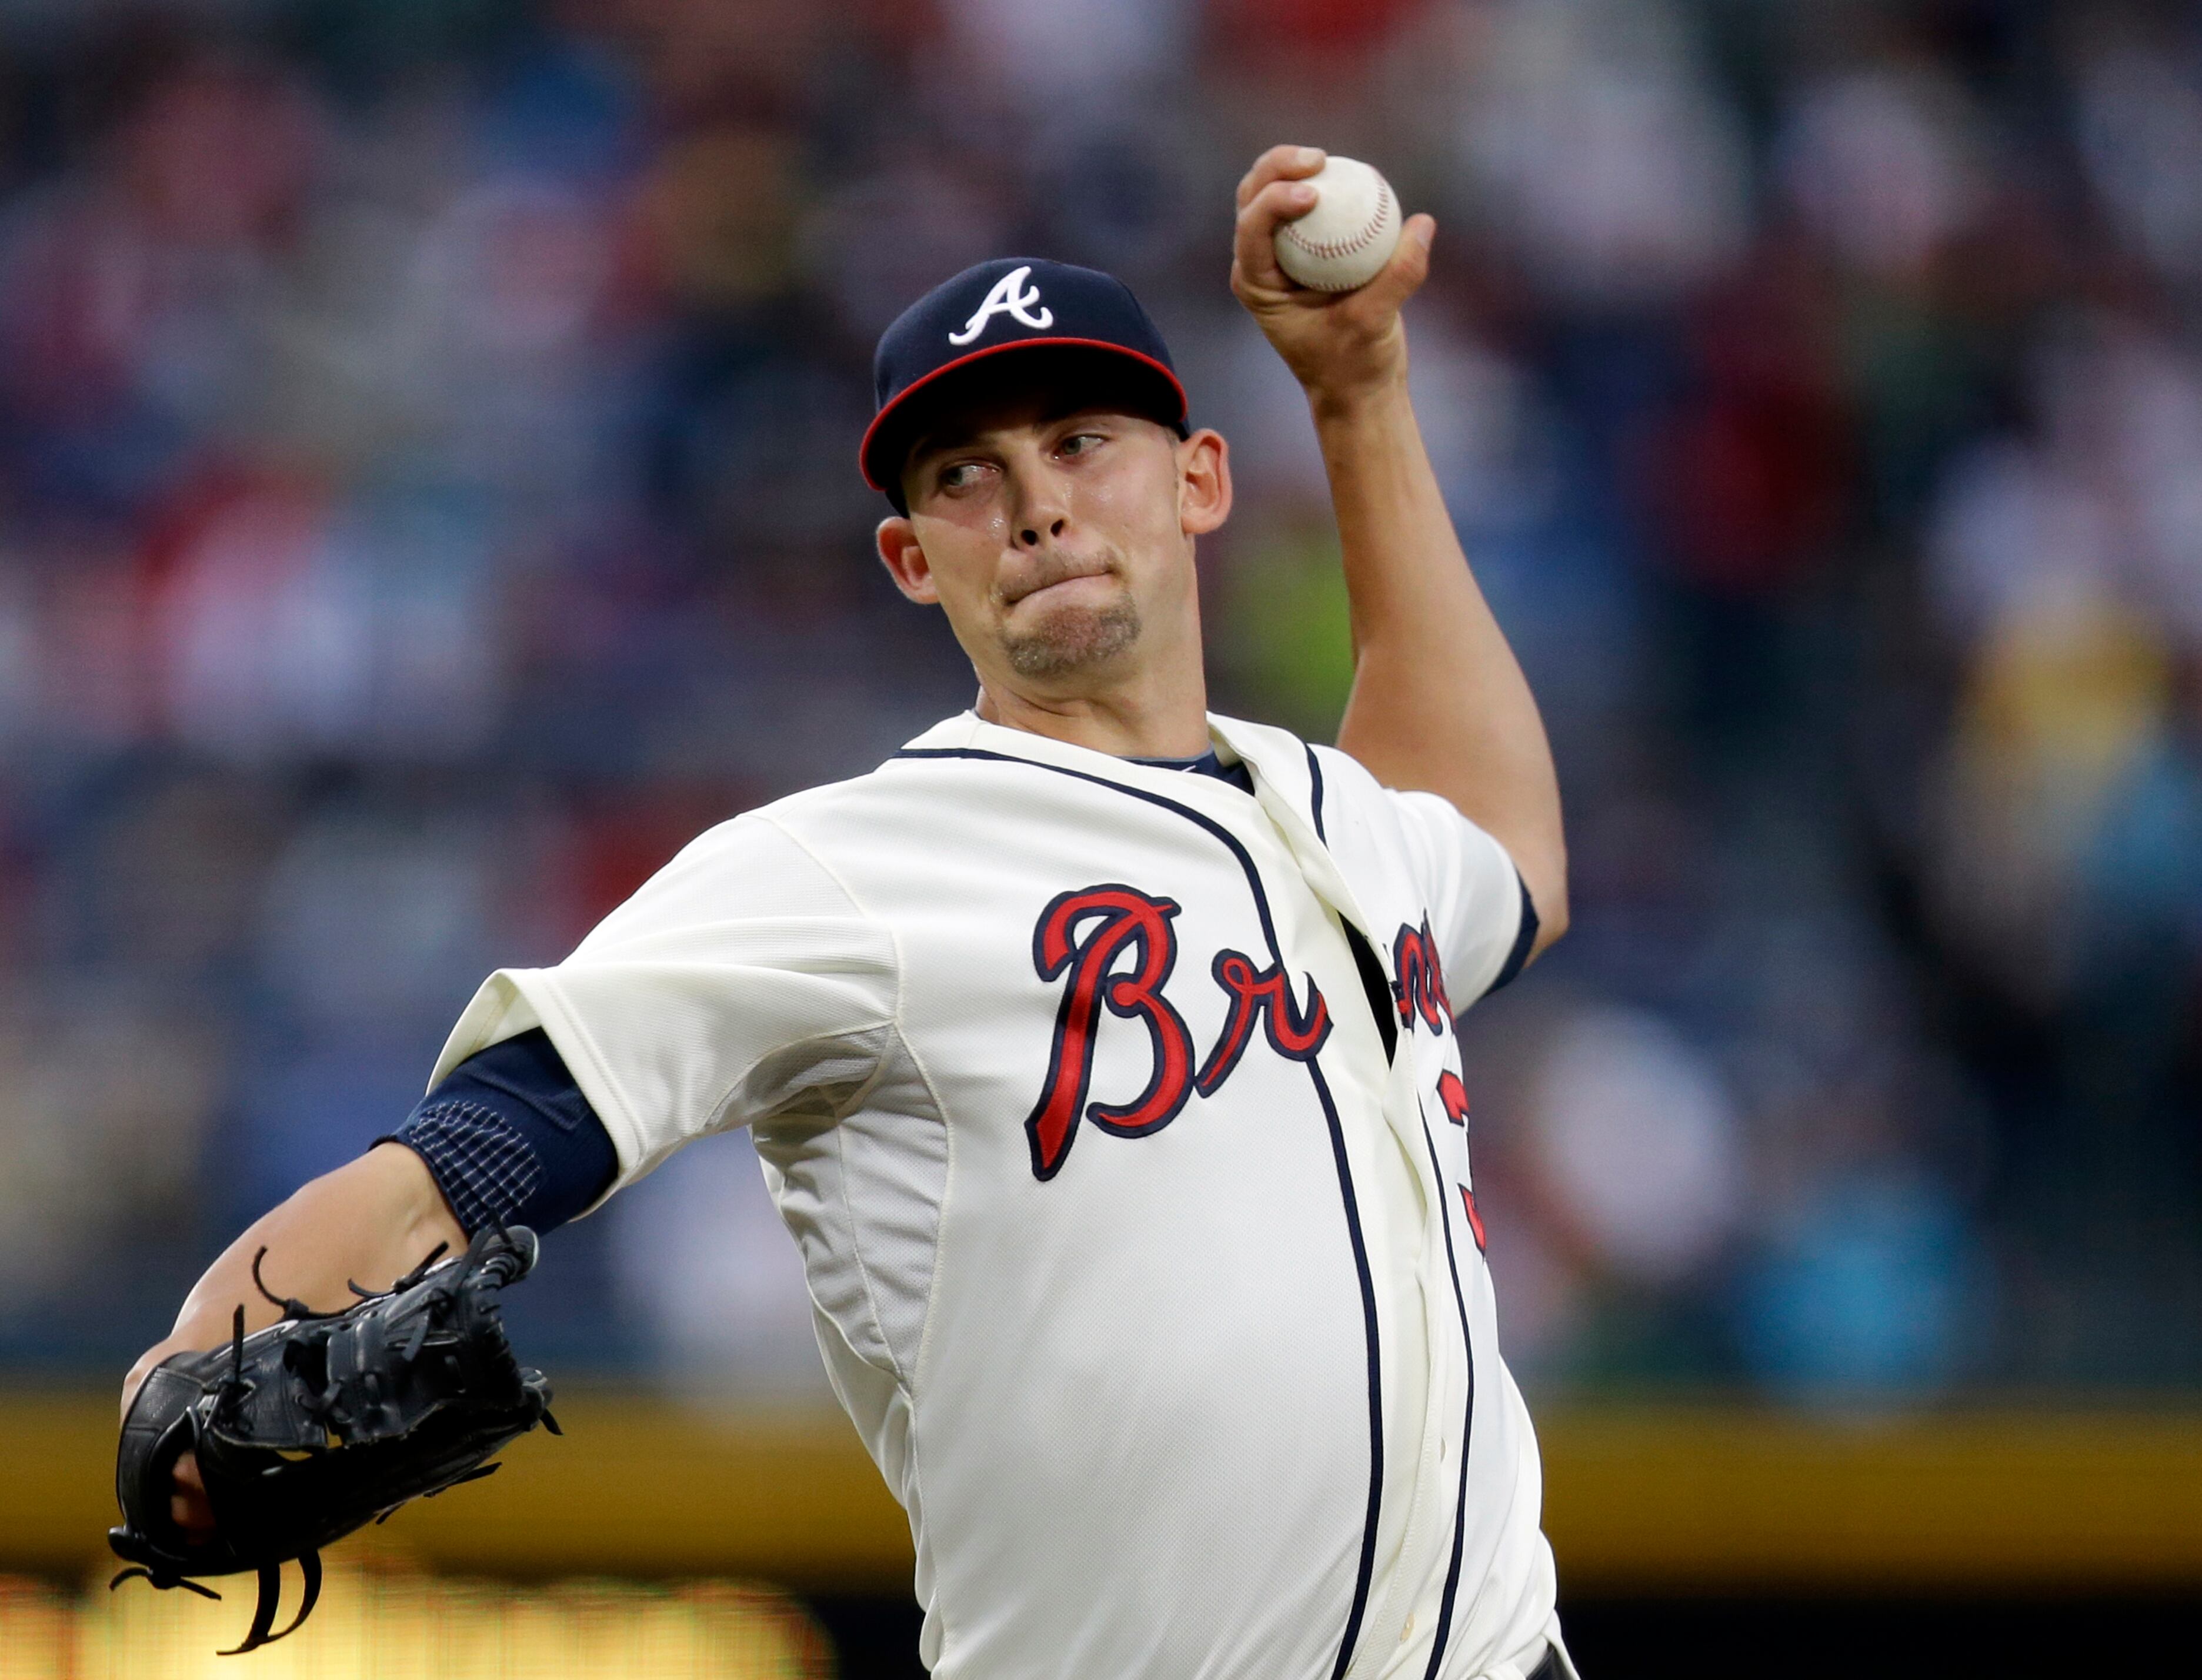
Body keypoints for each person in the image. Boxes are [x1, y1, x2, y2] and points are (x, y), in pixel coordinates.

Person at [122, 146, 1574, 1680]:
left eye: (1084, 440)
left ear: (1201, 477)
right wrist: (192, 1355)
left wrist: (1357, 394)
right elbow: (479, 1145)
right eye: (966, 475)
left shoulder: (1346, 821)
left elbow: (1502, 845)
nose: (1036, 506)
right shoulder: (853, 867)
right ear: (910, 556)